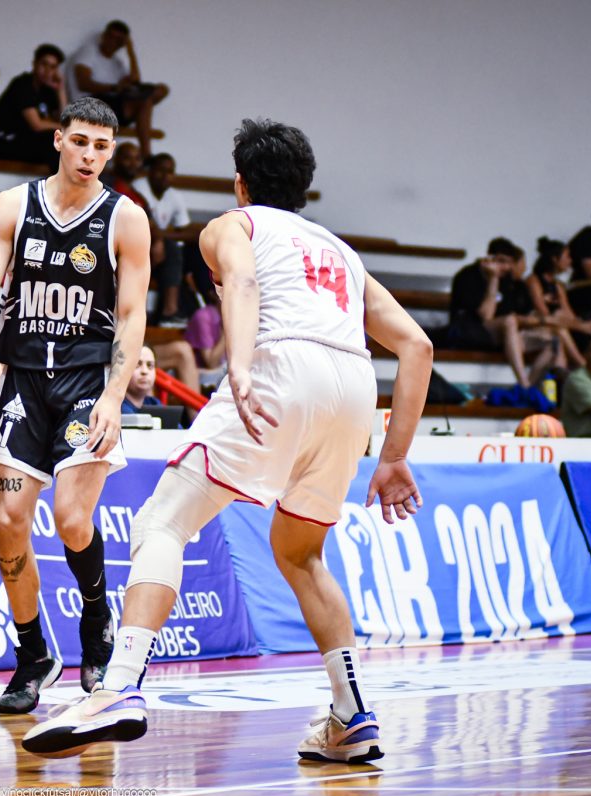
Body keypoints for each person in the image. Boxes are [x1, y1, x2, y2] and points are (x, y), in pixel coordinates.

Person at [22, 119, 433, 763]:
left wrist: (239, 365)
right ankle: (352, 714)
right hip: (355, 391)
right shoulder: (342, 253)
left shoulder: (232, 225)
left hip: (281, 367)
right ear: (304, 187)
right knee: (302, 554)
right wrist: (395, 456)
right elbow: (417, 345)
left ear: (241, 183)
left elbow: (240, 281)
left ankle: (119, 686)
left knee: (163, 520)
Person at [0, 97, 151, 714]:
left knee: (72, 519)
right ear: (58, 140)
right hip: (21, 380)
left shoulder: (126, 218)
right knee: (9, 523)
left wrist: (114, 396)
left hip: (86, 383)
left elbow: (132, 315)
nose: (89, 155)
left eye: (102, 147)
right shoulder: (13, 205)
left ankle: (96, 620)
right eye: (80, 141)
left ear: (112, 152)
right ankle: (32, 655)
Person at [447, 238, 558, 409]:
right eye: (501, 261)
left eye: (509, 263)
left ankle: (526, 388)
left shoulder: (508, 280)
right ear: (488, 258)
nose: (505, 267)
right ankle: (524, 386)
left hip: (501, 335)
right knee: (510, 322)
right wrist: (493, 279)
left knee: (551, 341)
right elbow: (486, 315)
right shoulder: (467, 276)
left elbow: (516, 314)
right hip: (469, 332)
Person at [68, 20, 169, 160]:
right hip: (89, 105)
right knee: (144, 101)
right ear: (104, 36)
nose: (112, 42)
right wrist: (114, 87)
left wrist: (130, 51)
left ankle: (146, 156)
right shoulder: (89, 52)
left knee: (158, 91)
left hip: (113, 106)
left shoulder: (117, 63)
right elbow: (83, 84)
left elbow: (135, 80)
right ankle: (146, 155)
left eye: (118, 40)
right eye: (111, 36)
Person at [134, 153, 195, 326]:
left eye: (170, 172)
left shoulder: (174, 195)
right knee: (171, 248)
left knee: (193, 250)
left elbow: (187, 231)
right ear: (150, 171)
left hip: (159, 252)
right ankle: (170, 312)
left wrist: (161, 236)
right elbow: (140, 226)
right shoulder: (139, 188)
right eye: (161, 170)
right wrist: (158, 238)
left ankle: (209, 308)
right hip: (135, 246)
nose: (165, 176)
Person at [0, 44, 67, 170]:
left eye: (52, 67)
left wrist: (60, 90)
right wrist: (66, 128)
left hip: (25, 142)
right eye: (44, 64)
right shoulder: (23, 85)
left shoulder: (48, 91)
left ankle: (65, 181)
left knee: (64, 142)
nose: (47, 71)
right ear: (34, 64)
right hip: (4, 142)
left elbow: (63, 120)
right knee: (54, 141)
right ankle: (62, 181)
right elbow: (37, 125)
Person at [525, 237, 591, 368]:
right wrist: (580, 326)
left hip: (559, 324)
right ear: (555, 259)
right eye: (567, 256)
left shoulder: (558, 285)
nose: (570, 261)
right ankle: (584, 367)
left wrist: (587, 325)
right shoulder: (533, 280)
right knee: (562, 328)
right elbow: (545, 315)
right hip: (539, 326)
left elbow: (569, 314)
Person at [121, 345, 161, 413]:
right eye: (137, 364)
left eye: (150, 365)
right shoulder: (115, 408)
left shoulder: (154, 403)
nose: (144, 371)